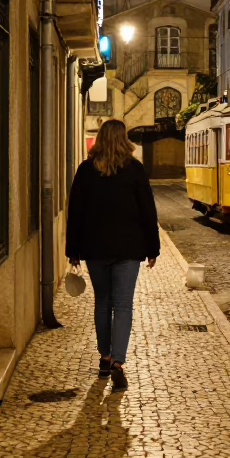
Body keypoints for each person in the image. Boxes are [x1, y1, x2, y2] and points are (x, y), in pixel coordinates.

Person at [66, 120, 160, 390]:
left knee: (102, 303)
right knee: (123, 305)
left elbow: (76, 214)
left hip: (95, 249)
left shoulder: (85, 171)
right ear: (124, 140)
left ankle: (105, 358)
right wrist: (152, 248)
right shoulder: (135, 170)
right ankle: (119, 361)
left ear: (100, 140)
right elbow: (147, 212)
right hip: (128, 250)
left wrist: (73, 250)